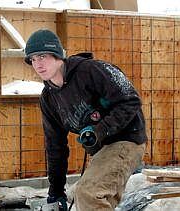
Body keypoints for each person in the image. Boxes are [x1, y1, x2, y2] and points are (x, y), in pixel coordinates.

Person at [24, 29, 147, 210]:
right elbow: (55, 146)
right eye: (33, 59)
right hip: (101, 149)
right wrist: (56, 191)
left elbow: (131, 100)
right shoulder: (49, 99)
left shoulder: (91, 70)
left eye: (42, 56)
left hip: (127, 139)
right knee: (83, 198)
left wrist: (100, 129)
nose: (37, 64)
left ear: (57, 55)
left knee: (89, 194)